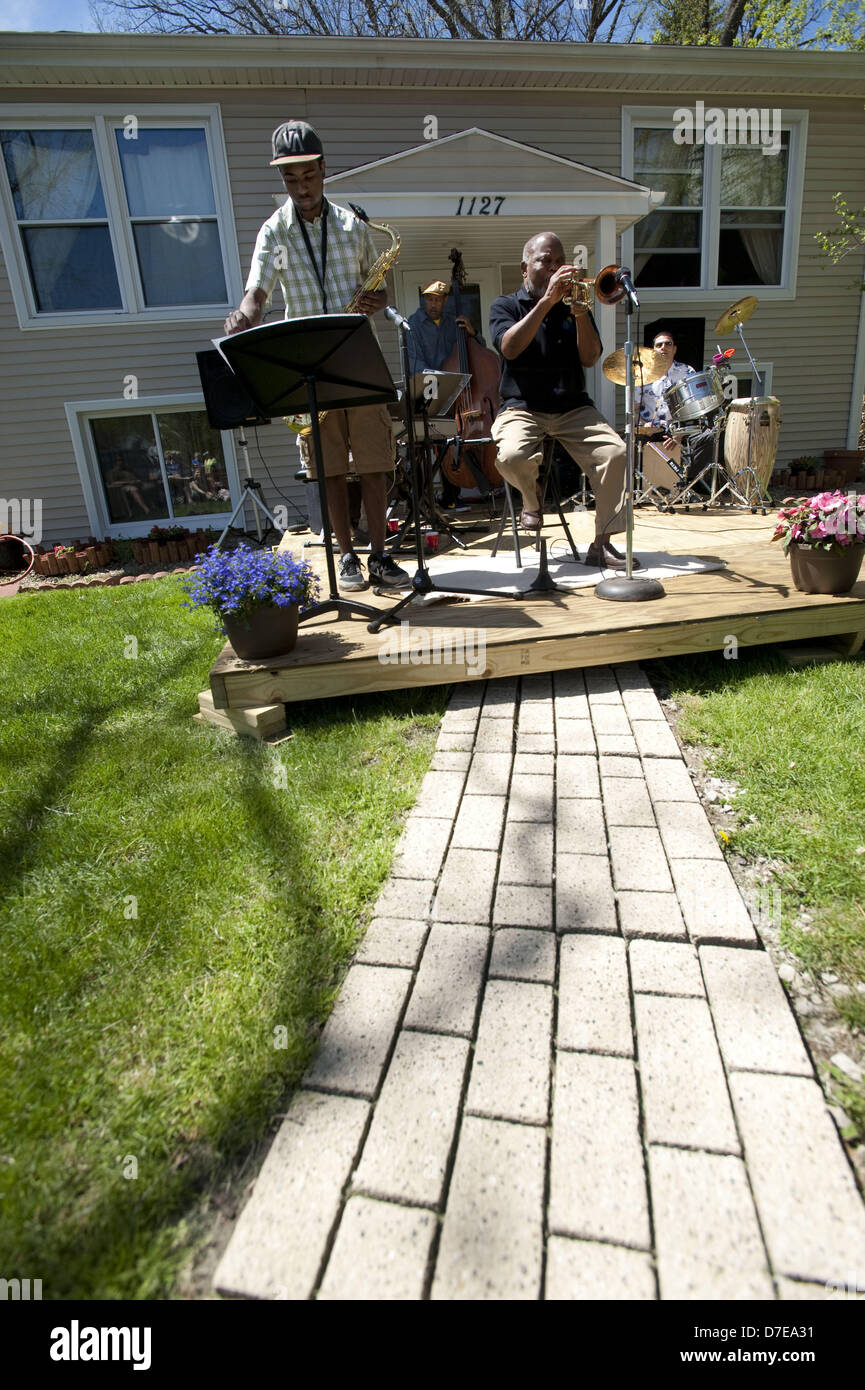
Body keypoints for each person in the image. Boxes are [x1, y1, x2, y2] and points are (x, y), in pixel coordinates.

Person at [223, 119, 409, 592]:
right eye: (290, 178)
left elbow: (379, 286)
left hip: (356, 356)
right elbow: (257, 294)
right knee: (327, 469)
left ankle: (381, 556)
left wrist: (378, 299)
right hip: (308, 365)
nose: (300, 187)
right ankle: (345, 555)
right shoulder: (274, 231)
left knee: (372, 461)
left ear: (323, 169)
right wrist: (243, 317)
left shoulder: (352, 225)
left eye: (307, 175)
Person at [488, 232, 635, 570]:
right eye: (545, 261)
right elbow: (509, 348)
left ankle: (602, 543)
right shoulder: (506, 305)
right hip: (522, 407)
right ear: (525, 267)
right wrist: (547, 302)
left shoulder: (574, 306)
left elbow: (590, 357)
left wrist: (580, 312)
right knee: (510, 456)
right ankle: (531, 498)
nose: (554, 268)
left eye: (559, 261)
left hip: (572, 407)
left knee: (617, 453)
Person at [407, 279, 485, 510]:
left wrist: (474, 333)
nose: (433, 304)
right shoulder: (413, 324)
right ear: (424, 299)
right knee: (421, 446)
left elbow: (479, 349)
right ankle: (418, 501)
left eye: (438, 300)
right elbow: (414, 361)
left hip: (454, 390)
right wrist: (441, 376)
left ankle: (451, 498)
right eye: (430, 299)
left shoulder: (455, 323)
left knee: (451, 442)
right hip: (427, 387)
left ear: (444, 301)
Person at [637, 330, 715, 495]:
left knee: (709, 437)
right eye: (659, 345)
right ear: (653, 350)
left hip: (682, 427)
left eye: (668, 344)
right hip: (653, 428)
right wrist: (645, 424)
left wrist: (679, 434)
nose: (663, 347)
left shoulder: (686, 371)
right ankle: (638, 488)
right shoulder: (643, 375)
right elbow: (637, 408)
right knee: (626, 441)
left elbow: (696, 406)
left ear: (674, 349)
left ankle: (687, 481)